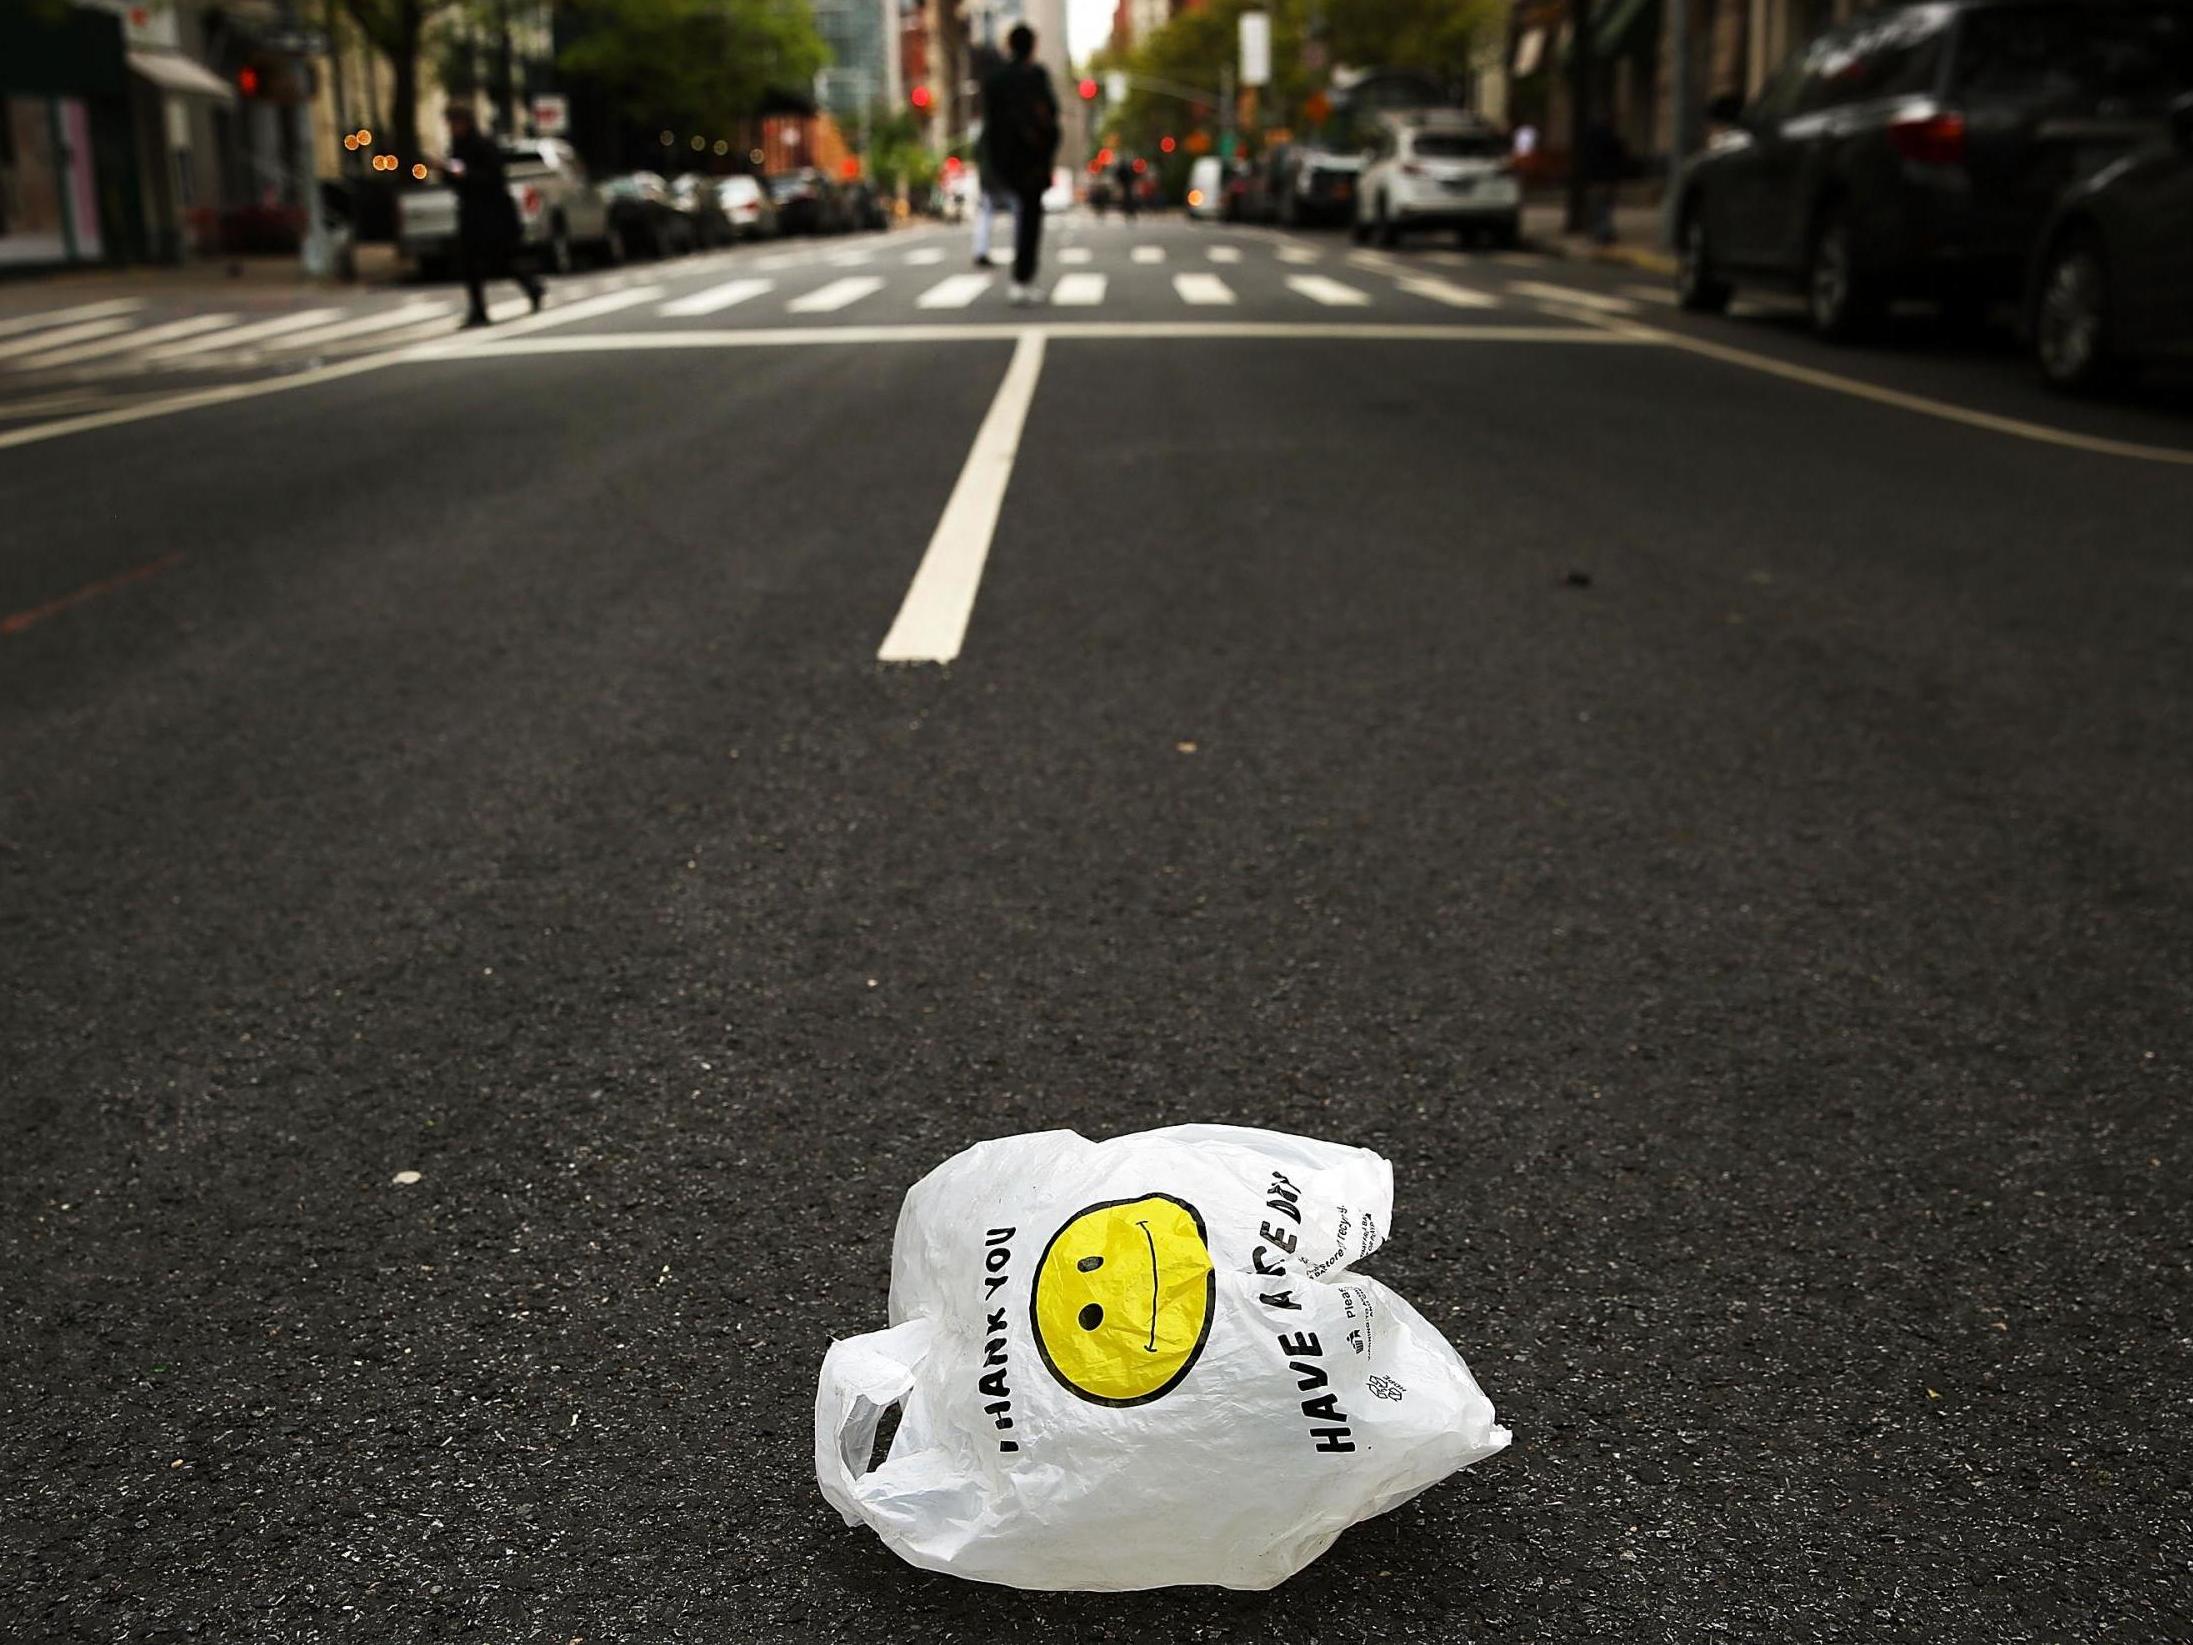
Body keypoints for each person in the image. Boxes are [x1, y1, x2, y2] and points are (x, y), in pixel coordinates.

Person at [979, 23, 1060, 305]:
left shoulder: (994, 79)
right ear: (1032, 46)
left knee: (992, 210)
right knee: (1029, 219)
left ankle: (1021, 278)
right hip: (1031, 160)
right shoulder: (1035, 76)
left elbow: (988, 122)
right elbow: (1050, 114)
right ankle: (1022, 278)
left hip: (1002, 161)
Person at [441, 103, 541, 327]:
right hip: (470, 213)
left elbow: (494, 178)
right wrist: (448, 174)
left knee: (499, 261)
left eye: (455, 123)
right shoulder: (457, 147)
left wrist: (465, 175)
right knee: (469, 263)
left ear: (465, 122)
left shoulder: (483, 145)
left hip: (492, 213)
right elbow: (456, 182)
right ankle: (478, 310)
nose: (452, 128)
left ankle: (531, 286)